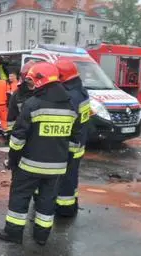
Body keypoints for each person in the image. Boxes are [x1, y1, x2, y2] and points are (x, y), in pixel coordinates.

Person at [0, 62, 81, 246]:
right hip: (57, 168)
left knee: (20, 197)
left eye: (32, 82)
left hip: (29, 165)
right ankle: (41, 237)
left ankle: (13, 233)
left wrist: (12, 160)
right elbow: (75, 141)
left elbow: (18, 139)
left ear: (41, 81)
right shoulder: (70, 106)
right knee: (47, 201)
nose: (31, 86)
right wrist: (66, 161)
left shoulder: (32, 104)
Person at [54, 59, 90, 217]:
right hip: (79, 141)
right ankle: (72, 203)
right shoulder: (81, 90)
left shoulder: (70, 96)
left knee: (66, 177)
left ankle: (65, 208)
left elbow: (67, 120)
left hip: (69, 143)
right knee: (72, 175)